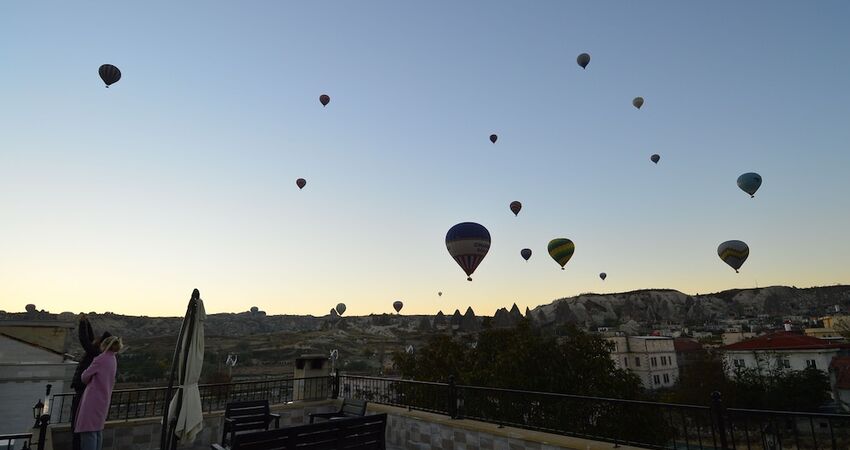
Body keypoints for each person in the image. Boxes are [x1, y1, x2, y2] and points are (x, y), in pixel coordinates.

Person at [71, 315, 111, 450]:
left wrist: (82, 324)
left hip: (84, 392)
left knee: (80, 427)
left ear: (102, 344)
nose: (96, 340)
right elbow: (90, 338)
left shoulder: (96, 353)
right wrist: (87, 323)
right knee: (95, 430)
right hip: (91, 394)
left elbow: (84, 340)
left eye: (99, 340)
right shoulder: (107, 357)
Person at [75, 336, 123, 450]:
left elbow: (84, 377)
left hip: (92, 399)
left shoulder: (101, 359)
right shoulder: (113, 359)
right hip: (104, 399)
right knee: (97, 430)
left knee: (88, 432)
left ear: (105, 345)